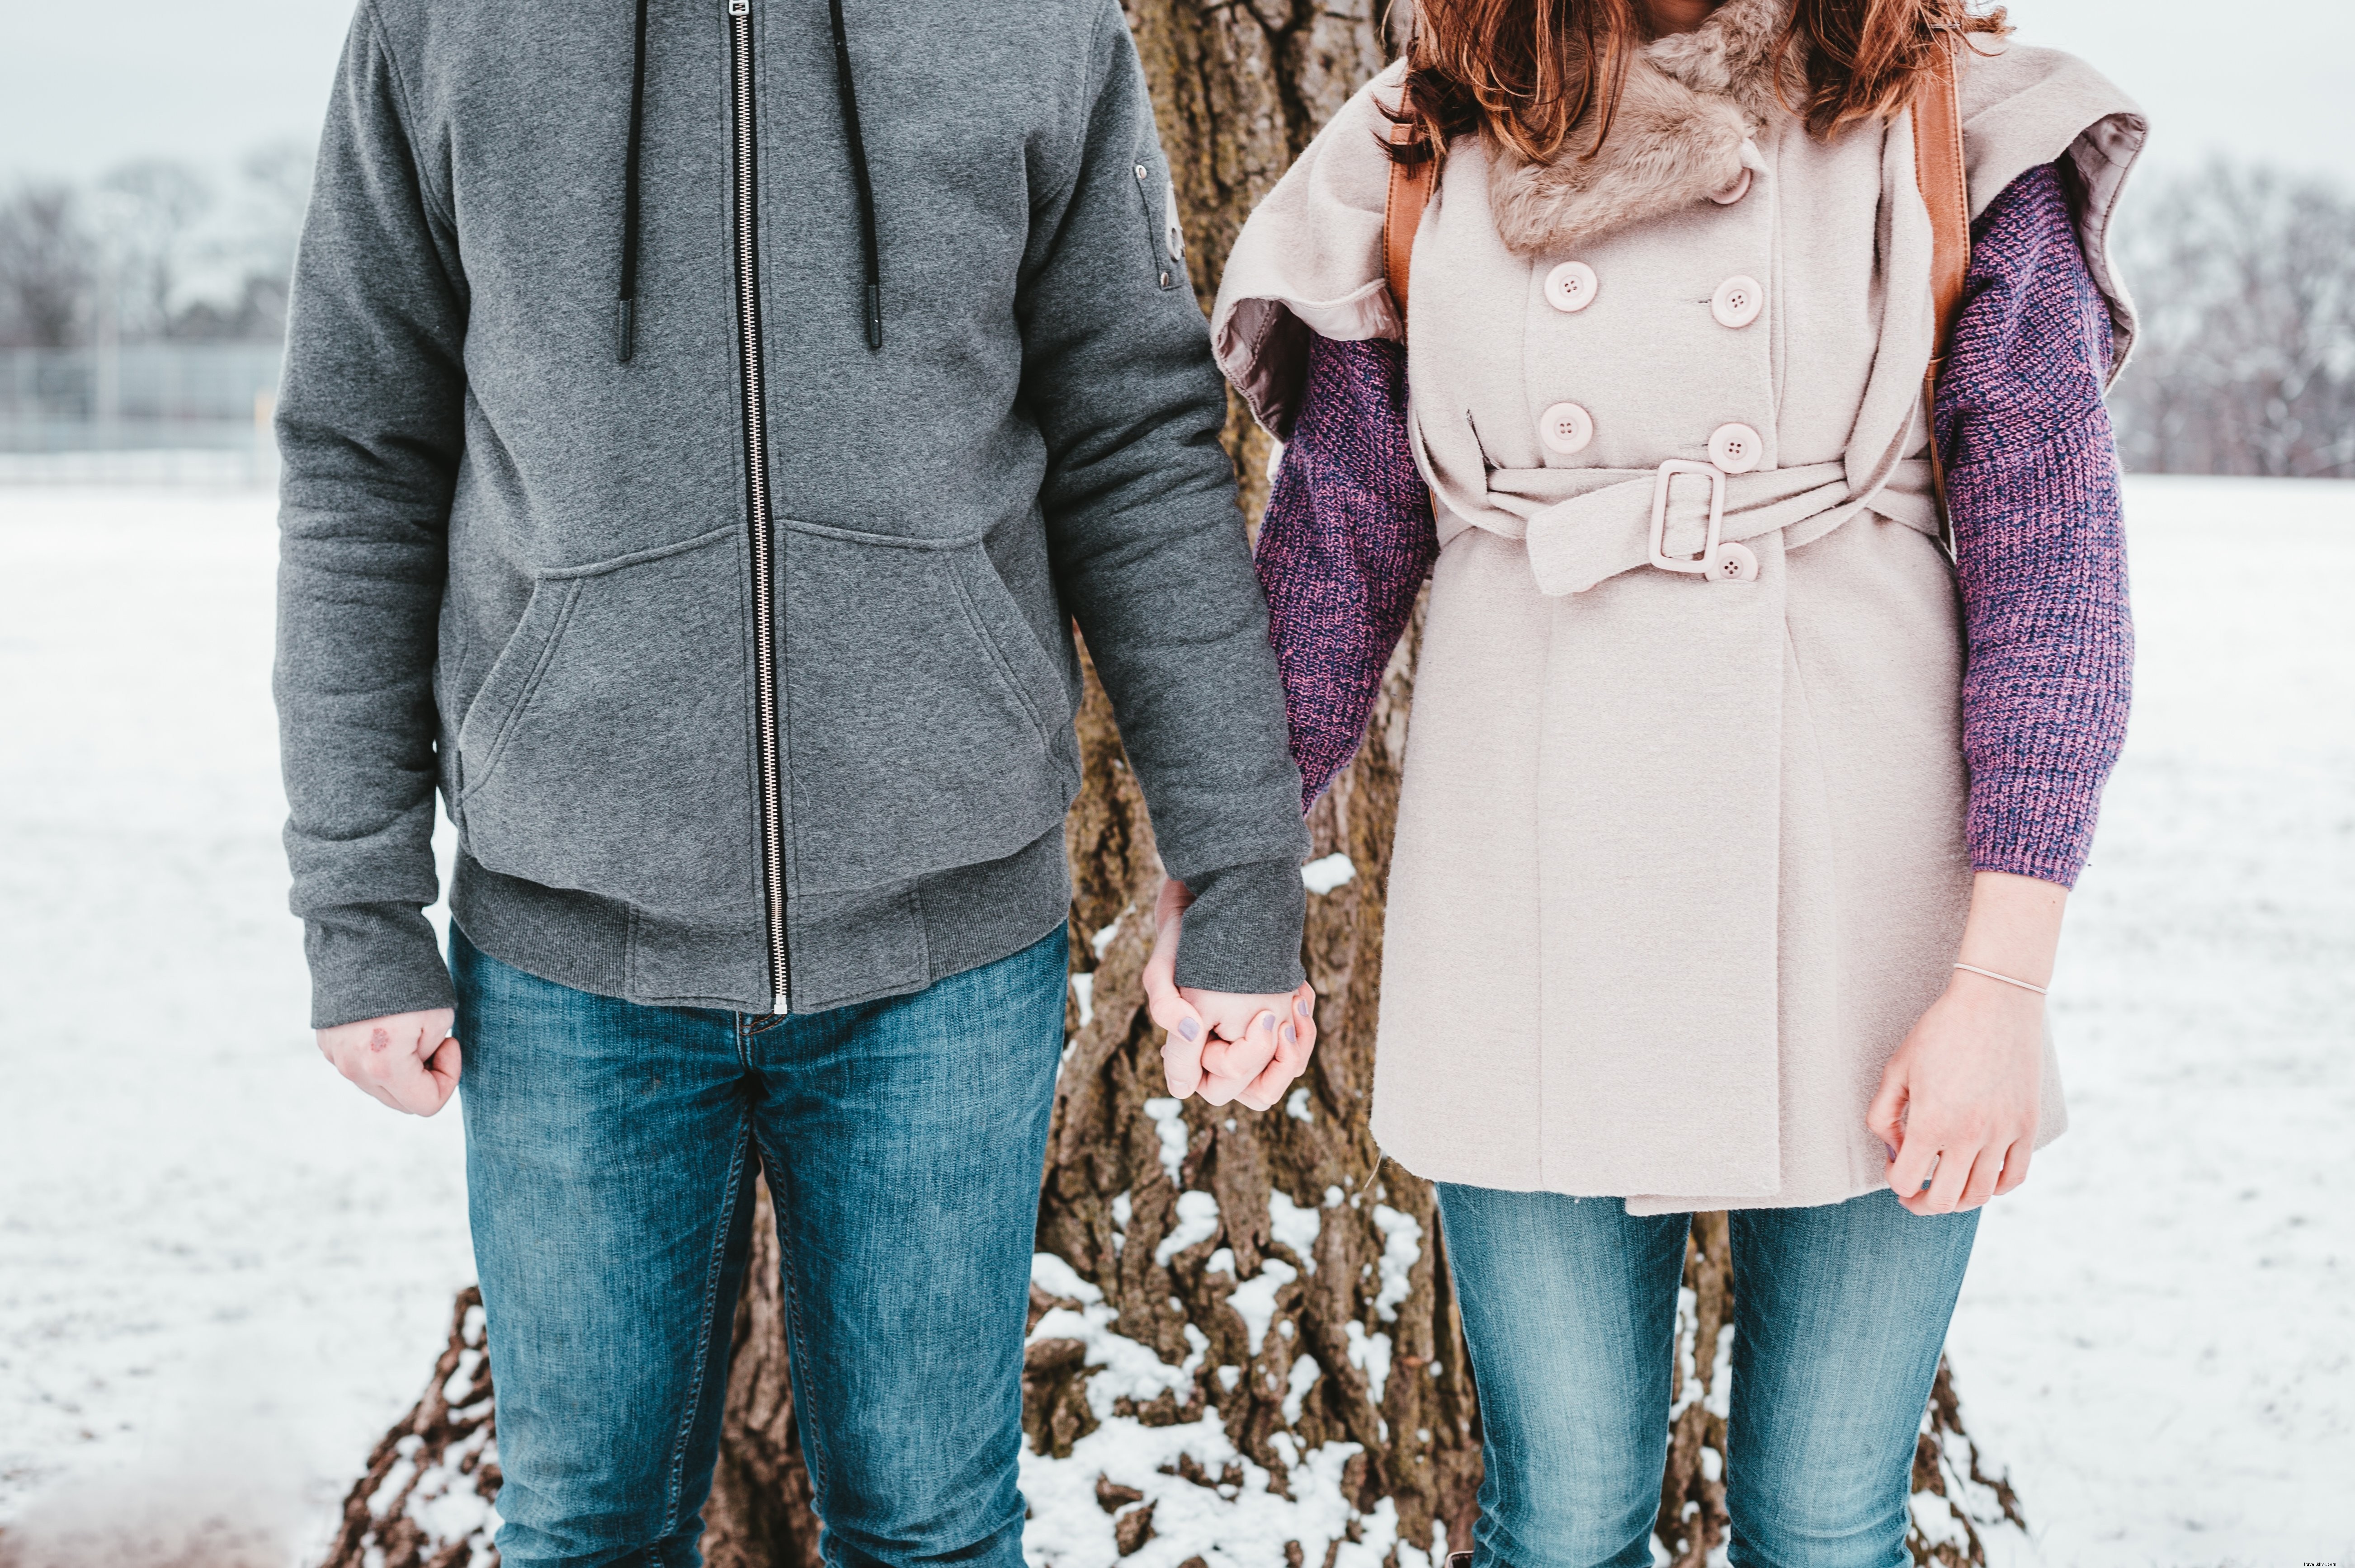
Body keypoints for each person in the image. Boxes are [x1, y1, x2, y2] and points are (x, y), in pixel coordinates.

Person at [275, 0, 1320, 1559]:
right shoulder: (444, 28)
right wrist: (358, 908)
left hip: (947, 952)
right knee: (585, 1531)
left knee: (930, 1532)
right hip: (571, 950)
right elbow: (361, 454)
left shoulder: (1032, 24)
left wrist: (1239, 874)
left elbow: (1138, 445)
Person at [1206, 0, 2141, 1561]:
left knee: (1826, 1523)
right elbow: (1330, 563)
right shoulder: (1429, 124)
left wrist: (2000, 982)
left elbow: (2054, 583)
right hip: (1527, 885)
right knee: (1559, 1522)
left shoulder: (1948, 113)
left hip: (1873, 904)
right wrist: (1230, 895)